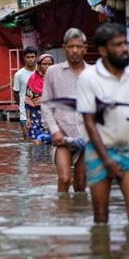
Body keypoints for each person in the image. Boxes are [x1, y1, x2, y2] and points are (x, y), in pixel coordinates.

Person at [76, 22, 129, 224]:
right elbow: (89, 122)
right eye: (117, 45)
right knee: (101, 216)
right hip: (98, 154)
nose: (124, 49)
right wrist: (106, 160)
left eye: (125, 43)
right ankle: (102, 253)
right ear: (102, 50)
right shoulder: (88, 79)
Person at [41, 28, 90, 193]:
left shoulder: (94, 73)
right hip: (62, 137)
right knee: (64, 179)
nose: (74, 50)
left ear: (85, 48)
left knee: (81, 184)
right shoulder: (53, 72)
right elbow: (46, 104)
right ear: (64, 48)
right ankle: (61, 217)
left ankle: (78, 215)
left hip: (86, 137)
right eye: (71, 46)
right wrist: (54, 131)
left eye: (78, 46)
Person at [25, 54, 54, 145]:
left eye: (50, 64)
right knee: (37, 142)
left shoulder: (56, 78)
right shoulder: (33, 79)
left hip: (52, 116)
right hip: (36, 116)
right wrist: (28, 118)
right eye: (44, 64)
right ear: (39, 65)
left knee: (52, 142)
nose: (47, 66)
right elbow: (28, 100)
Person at [13, 46, 37, 140]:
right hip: (24, 112)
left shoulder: (40, 72)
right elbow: (16, 93)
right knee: (27, 139)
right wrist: (21, 105)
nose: (30, 59)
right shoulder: (18, 75)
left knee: (39, 140)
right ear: (24, 58)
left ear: (36, 57)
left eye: (32, 57)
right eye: (28, 57)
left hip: (39, 111)